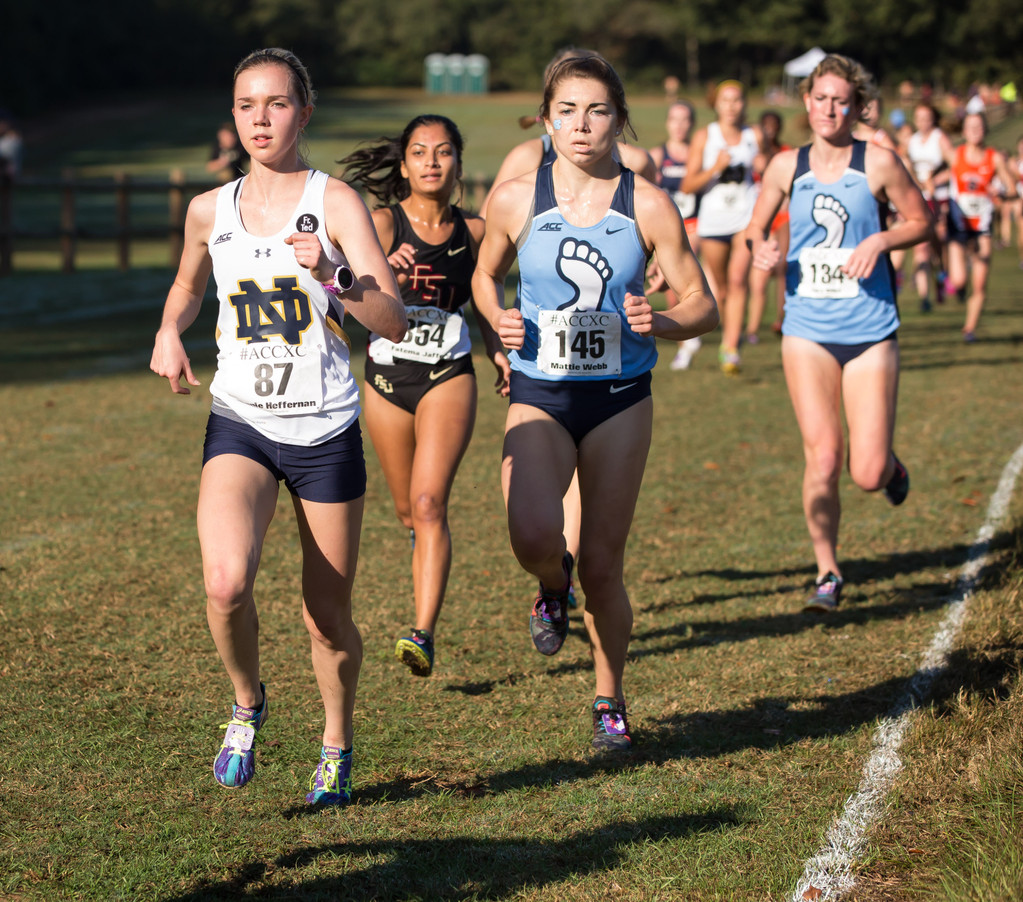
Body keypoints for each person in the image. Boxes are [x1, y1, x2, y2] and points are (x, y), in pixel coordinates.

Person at [149, 48, 406, 806]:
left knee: (327, 618)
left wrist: (333, 273)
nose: (260, 118)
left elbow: (390, 319)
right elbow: (186, 285)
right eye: (245, 105)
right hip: (243, 422)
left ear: (305, 110)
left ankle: (335, 740)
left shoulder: (336, 204)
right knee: (226, 583)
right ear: (232, 117)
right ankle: (246, 702)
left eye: (276, 103)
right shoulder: (208, 210)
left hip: (325, 431)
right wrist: (170, 328)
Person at [472, 55, 718, 751]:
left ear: (618, 119)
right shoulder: (517, 197)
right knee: (530, 535)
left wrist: (661, 322)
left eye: (597, 111)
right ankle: (551, 586)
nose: (582, 125)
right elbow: (484, 276)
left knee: (604, 566)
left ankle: (608, 696)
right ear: (547, 118)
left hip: (617, 399)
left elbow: (704, 304)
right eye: (568, 111)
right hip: (538, 392)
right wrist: (499, 318)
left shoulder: (647, 203)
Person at [746, 53, 932, 613]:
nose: (829, 109)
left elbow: (921, 220)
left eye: (840, 100)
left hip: (871, 327)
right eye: (820, 99)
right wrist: (762, 246)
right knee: (823, 457)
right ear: (807, 103)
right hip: (805, 327)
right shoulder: (785, 166)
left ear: (857, 107)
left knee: (867, 470)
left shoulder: (878, 162)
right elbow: (754, 227)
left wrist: (880, 240)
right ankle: (827, 571)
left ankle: (891, 466)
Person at [338, 115, 508, 677]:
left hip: (447, 373)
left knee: (431, 503)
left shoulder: (477, 233)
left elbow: (487, 299)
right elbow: (340, 300)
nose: (431, 161)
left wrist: (497, 350)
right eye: (419, 152)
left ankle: (423, 631)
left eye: (442, 152)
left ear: (458, 162)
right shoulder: (382, 224)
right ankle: (423, 563)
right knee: (409, 511)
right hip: (386, 381)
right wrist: (381, 270)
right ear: (404, 164)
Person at [682, 80, 763, 373]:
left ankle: (730, 349)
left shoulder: (754, 135)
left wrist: (764, 165)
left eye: (738, 100)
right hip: (714, 221)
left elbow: (766, 168)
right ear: (715, 104)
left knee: (739, 279)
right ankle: (731, 332)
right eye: (726, 100)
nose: (732, 106)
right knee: (723, 288)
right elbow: (688, 185)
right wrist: (715, 168)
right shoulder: (706, 136)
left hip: (745, 218)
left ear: (745, 103)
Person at [943, 113, 1018, 341]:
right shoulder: (956, 156)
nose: (975, 131)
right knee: (958, 280)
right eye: (970, 127)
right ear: (964, 131)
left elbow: (1013, 189)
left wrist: (1001, 192)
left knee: (980, 280)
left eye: (979, 126)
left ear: (985, 130)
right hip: (958, 226)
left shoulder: (994, 158)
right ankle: (956, 286)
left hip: (982, 227)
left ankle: (969, 329)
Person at [647, 100, 704, 370]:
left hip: (699, 226)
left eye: (685, 119)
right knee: (670, 284)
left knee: (699, 285)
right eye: (674, 119)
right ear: (668, 123)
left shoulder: (699, 153)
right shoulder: (658, 155)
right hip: (669, 228)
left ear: (692, 123)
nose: (679, 125)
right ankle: (685, 343)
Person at [744, 110, 790, 342]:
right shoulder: (750, 156)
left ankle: (782, 318)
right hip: (757, 221)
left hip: (782, 219)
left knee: (782, 268)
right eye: (766, 126)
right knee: (759, 277)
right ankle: (752, 329)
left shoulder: (786, 153)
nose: (770, 130)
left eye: (774, 125)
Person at [905, 103, 953, 311]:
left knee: (938, 244)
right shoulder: (912, 141)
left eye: (927, 117)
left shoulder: (940, 138)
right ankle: (925, 298)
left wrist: (937, 181)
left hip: (940, 198)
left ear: (933, 118)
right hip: (920, 199)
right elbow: (905, 167)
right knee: (921, 247)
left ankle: (942, 274)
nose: (923, 121)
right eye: (919, 117)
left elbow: (955, 166)